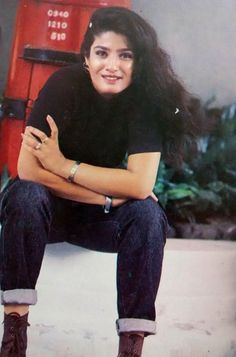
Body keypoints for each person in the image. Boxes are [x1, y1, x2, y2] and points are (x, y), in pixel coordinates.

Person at [0, 6, 197, 357]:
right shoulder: (63, 85)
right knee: (27, 195)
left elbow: (139, 186)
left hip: (97, 223)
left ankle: (130, 348)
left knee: (148, 216)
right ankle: (14, 335)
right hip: (48, 213)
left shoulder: (143, 103)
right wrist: (106, 196)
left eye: (125, 56)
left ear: (138, 63)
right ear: (87, 57)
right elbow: (29, 170)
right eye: (102, 53)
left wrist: (63, 165)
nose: (112, 66)